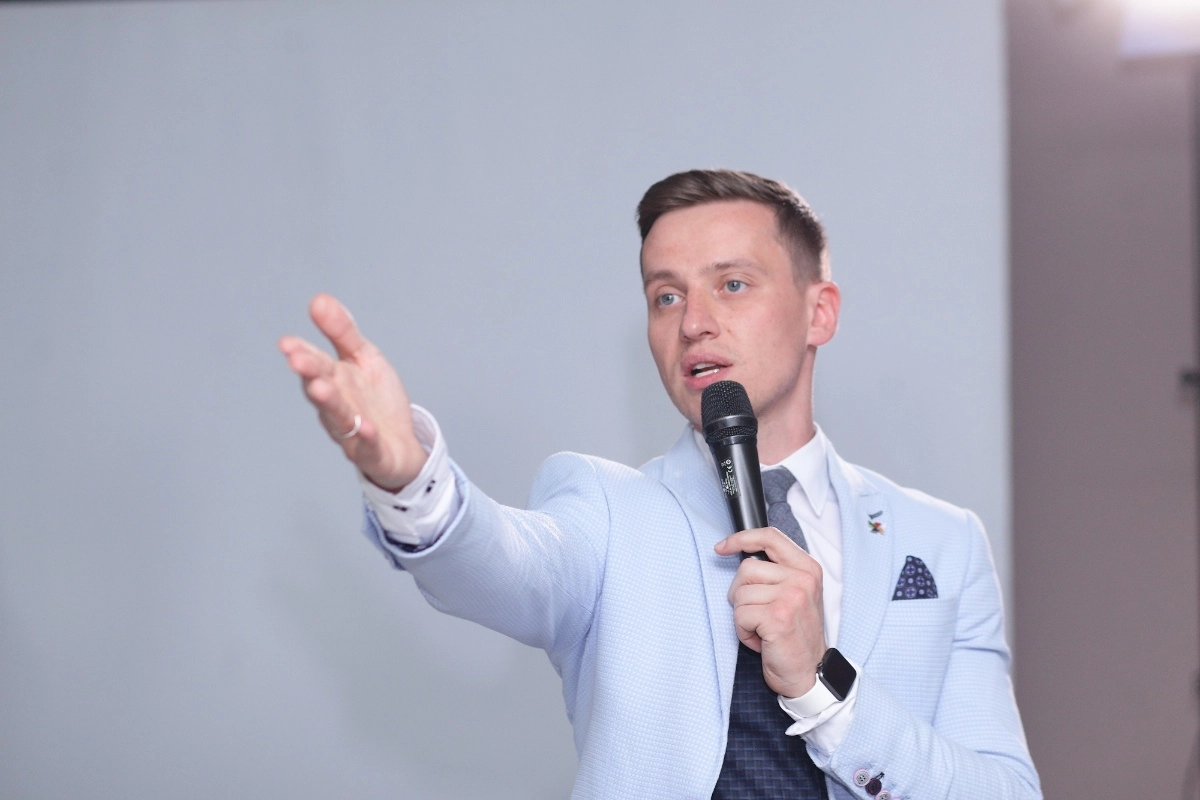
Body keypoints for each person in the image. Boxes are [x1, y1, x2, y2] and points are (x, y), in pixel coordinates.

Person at [279, 169, 1041, 800]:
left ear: (820, 313)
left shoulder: (943, 543)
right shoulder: (608, 510)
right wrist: (411, 477)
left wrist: (823, 686)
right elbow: (502, 562)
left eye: (732, 284)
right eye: (665, 296)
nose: (693, 323)